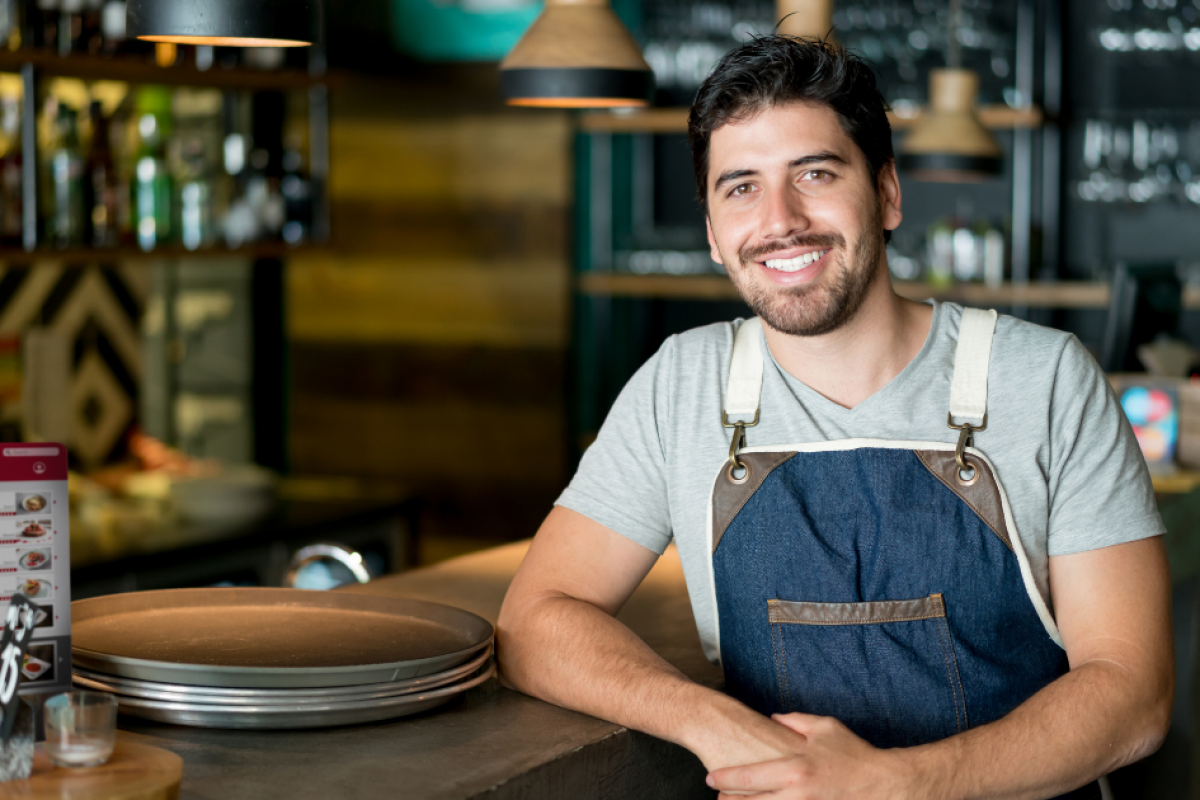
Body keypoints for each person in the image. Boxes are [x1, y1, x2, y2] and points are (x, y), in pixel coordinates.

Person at [497, 35, 1173, 800]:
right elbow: (534, 622)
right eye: (741, 187)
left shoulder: (1043, 378)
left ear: (886, 193)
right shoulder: (682, 385)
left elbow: (1132, 694)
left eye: (814, 174)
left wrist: (890, 784)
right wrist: (710, 722)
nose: (780, 220)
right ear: (715, 235)